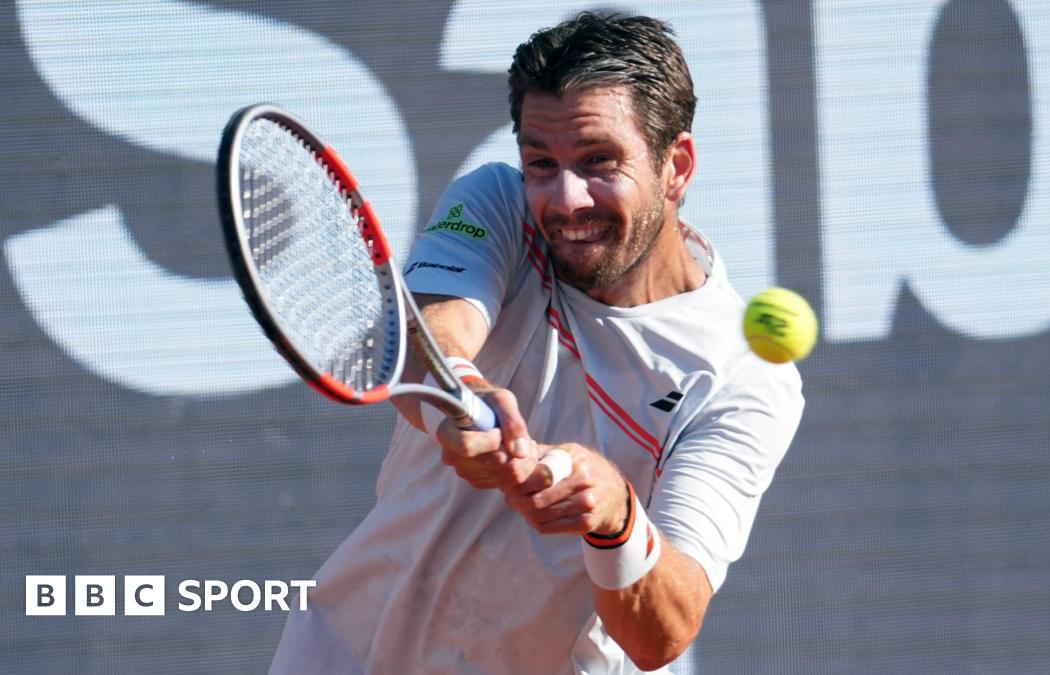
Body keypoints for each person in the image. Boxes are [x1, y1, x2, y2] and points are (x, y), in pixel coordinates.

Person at [270, 12, 803, 674]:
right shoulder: (498, 203)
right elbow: (425, 341)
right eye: (541, 163)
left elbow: (661, 631)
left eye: (599, 161)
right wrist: (463, 397)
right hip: (344, 652)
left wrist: (614, 516)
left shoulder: (743, 376)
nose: (565, 198)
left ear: (677, 166)